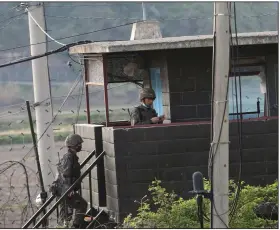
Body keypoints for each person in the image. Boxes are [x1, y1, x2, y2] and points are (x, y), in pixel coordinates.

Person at [55, 134, 88, 228]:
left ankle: (64, 227)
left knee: (66, 215)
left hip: (64, 189)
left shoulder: (71, 156)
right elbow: (66, 174)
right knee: (82, 205)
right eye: (78, 144)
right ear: (73, 145)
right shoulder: (69, 157)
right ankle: (75, 226)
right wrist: (69, 189)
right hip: (66, 190)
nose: (80, 146)